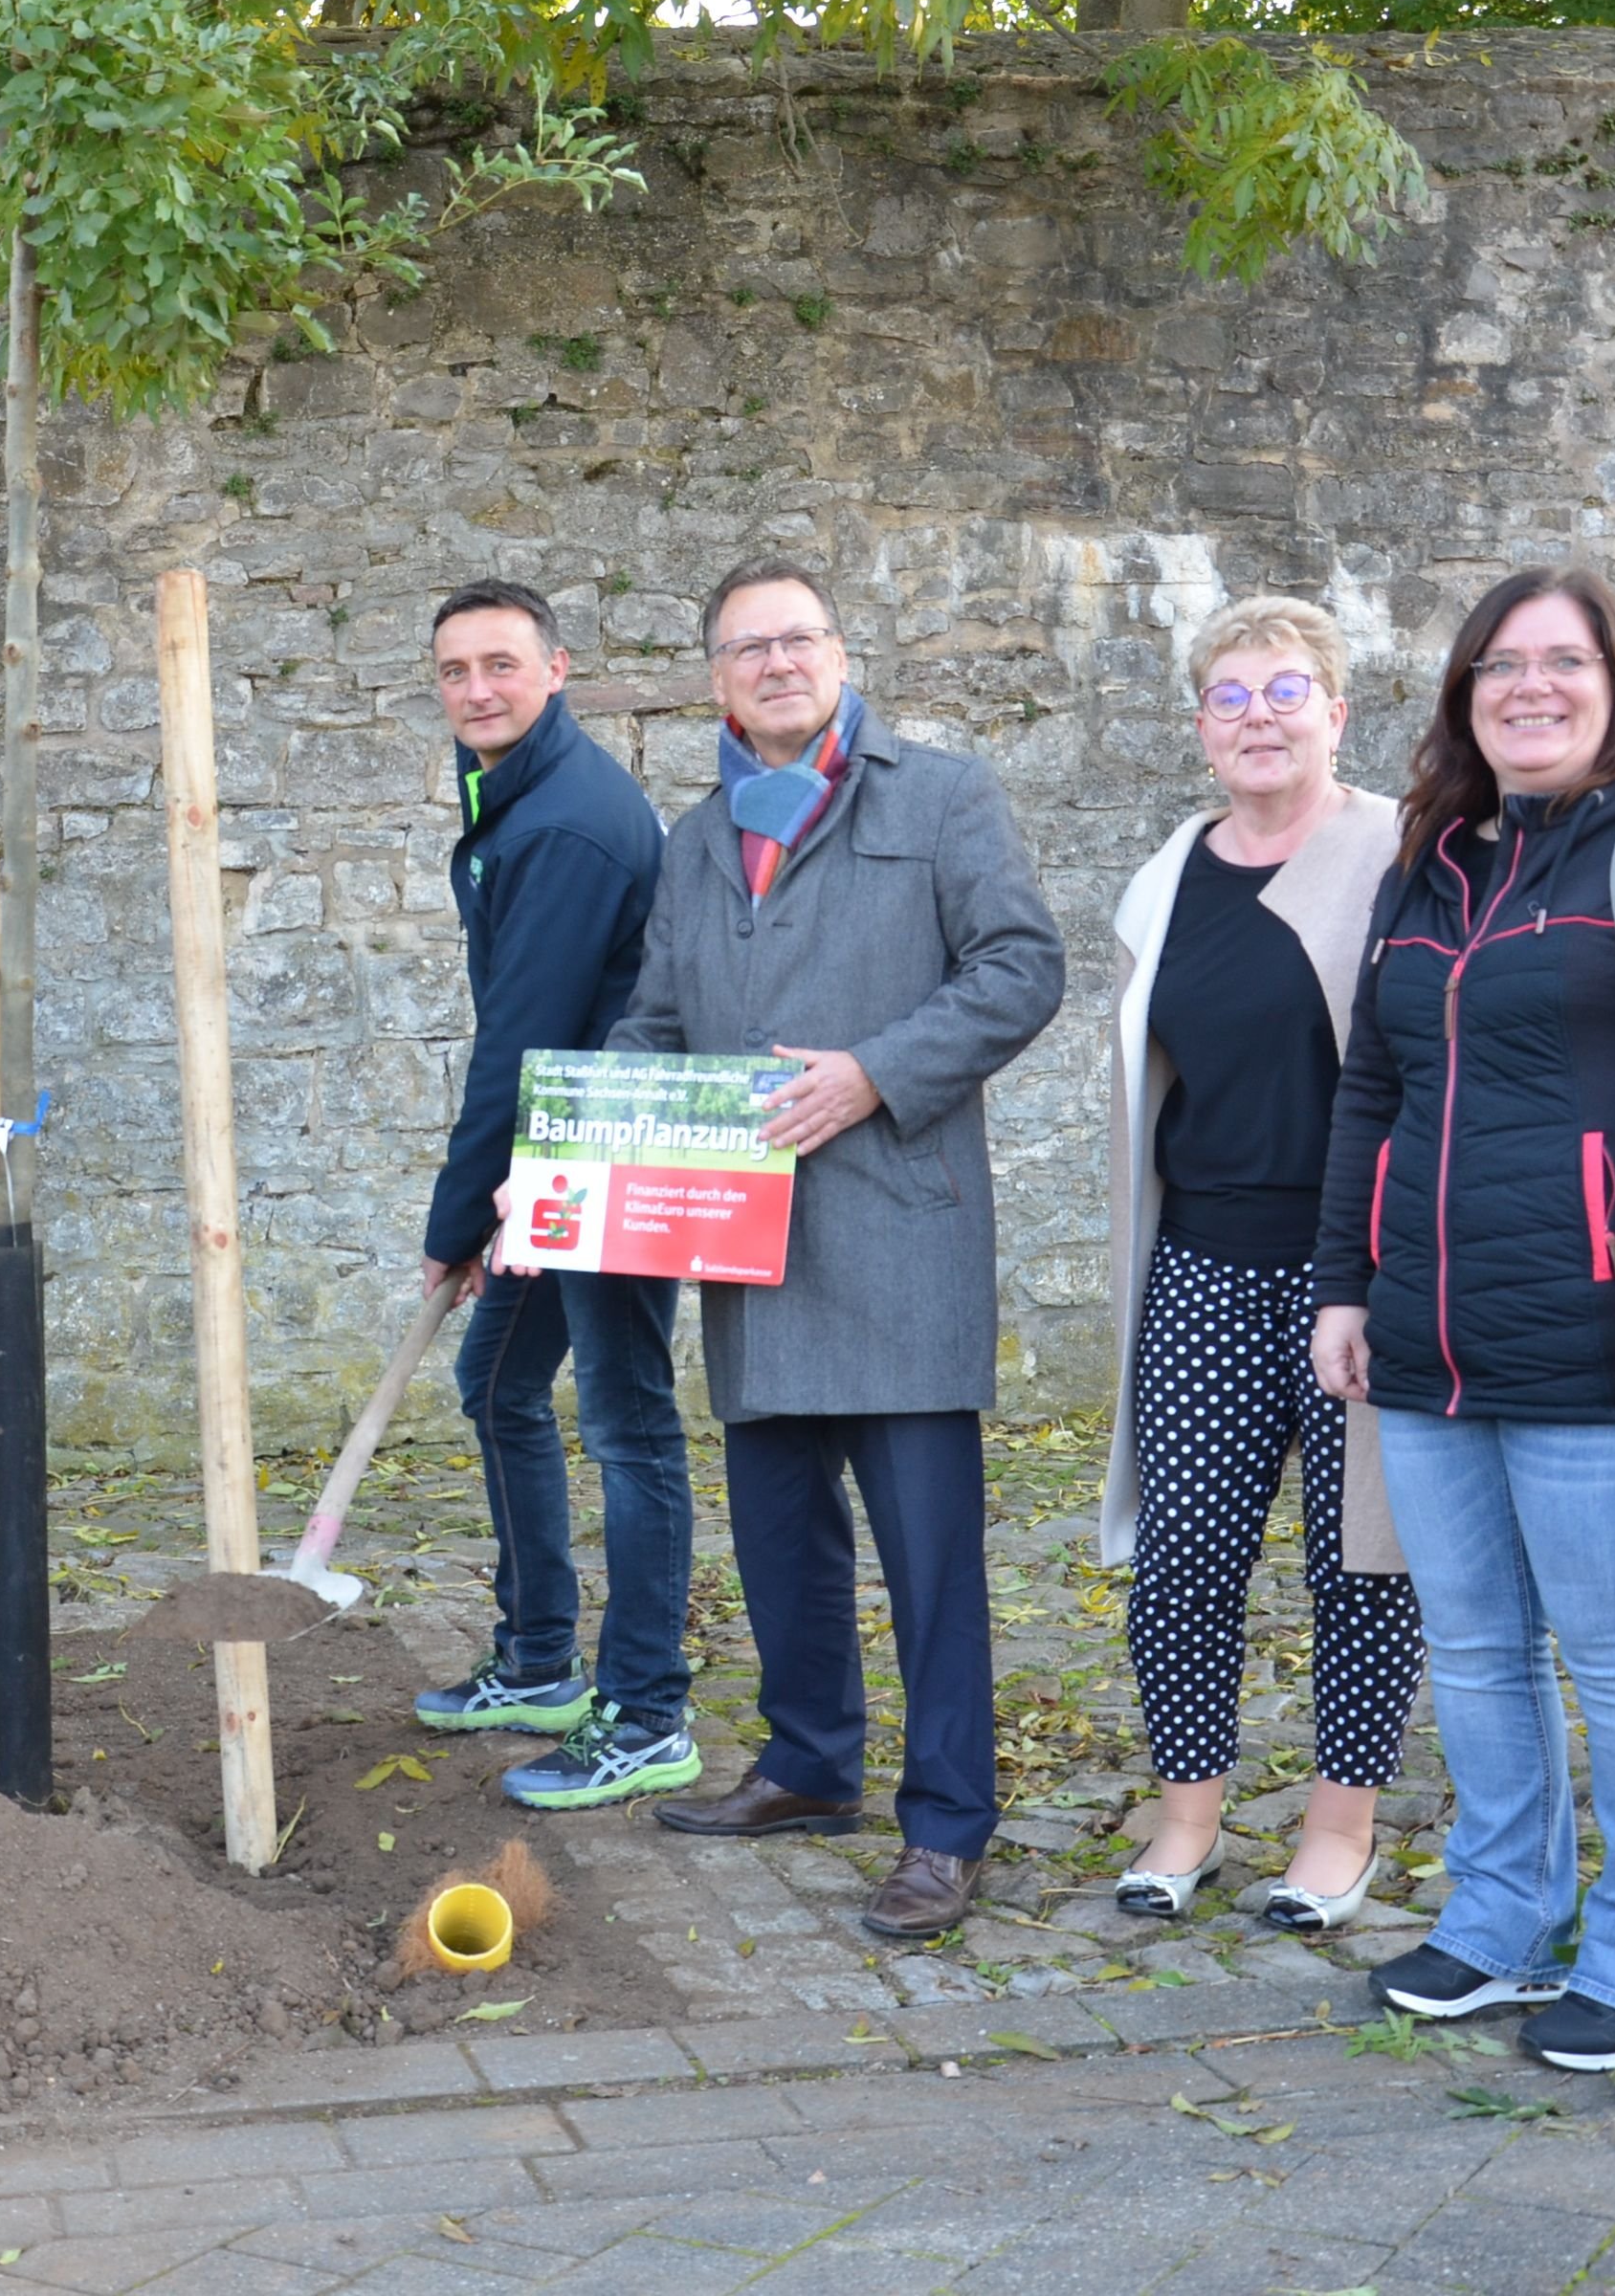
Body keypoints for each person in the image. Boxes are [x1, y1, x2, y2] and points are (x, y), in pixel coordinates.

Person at [1312, 565, 1615, 2072]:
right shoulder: (1427, 869)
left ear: (1613, 683)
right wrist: (1343, 1284)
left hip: (1598, 1336)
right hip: (1434, 1338)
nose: (1530, 688)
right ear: (1464, 699)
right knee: (1476, 1648)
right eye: (1499, 667)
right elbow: (1371, 1092)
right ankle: (1503, 1924)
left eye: (1561, 663)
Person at [616, 558, 1065, 1941]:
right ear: (714, 679)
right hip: (750, 1250)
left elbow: (1019, 966)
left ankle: (946, 1824)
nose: (775, 663)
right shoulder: (695, 843)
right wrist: (591, 1136)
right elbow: (655, 1022)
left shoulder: (939, 798)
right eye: (746, 647)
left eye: (797, 638)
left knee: (930, 1561)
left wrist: (874, 1071)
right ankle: (810, 1764)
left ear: (839, 653)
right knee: (778, 1542)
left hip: (899, 1232)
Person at [1101, 598, 1422, 1930]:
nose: (1259, 719)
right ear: (1199, 728)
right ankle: (1187, 1817)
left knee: (1362, 1561)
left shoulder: (1409, 853)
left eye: (1286, 692)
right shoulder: (1173, 871)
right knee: (1184, 1557)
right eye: (1230, 698)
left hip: (1363, 1272)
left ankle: (1339, 1832)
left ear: (1338, 713)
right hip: (1205, 1266)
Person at [402, 581, 701, 1812]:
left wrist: (456, 1220)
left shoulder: (562, 826)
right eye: (456, 670)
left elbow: (517, 1041)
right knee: (497, 1382)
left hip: (614, 1153)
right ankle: (537, 1660)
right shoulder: (519, 795)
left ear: (558, 669)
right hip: (559, 1149)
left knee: (628, 1427)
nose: (478, 689)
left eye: (502, 665)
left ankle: (648, 1714)